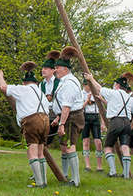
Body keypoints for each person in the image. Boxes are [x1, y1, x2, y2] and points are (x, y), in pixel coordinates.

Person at [0, 61, 49, 188]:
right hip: (45, 121)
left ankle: (39, 183)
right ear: (36, 82)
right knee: (40, 152)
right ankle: (44, 181)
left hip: (32, 121)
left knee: (32, 152)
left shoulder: (23, 89)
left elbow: (4, 88)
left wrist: (0, 75)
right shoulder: (41, 93)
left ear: (24, 82)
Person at [83, 71, 133, 180]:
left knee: (107, 147)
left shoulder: (114, 93)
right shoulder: (128, 96)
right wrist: (103, 100)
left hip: (116, 122)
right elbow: (115, 105)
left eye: (114, 84)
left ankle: (112, 171)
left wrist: (91, 79)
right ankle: (126, 175)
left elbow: (99, 88)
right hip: (127, 123)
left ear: (118, 85)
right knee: (125, 147)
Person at [53, 46, 85, 187]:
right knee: (64, 146)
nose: (55, 70)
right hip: (67, 116)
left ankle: (75, 181)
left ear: (65, 69)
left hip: (72, 117)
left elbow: (67, 106)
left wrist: (61, 124)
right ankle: (65, 176)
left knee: (70, 146)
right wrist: (58, 118)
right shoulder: (64, 81)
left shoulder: (69, 83)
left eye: (57, 68)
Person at [81, 81, 104, 172]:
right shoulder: (80, 94)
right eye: (87, 85)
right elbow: (79, 108)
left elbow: (101, 109)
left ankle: (99, 166)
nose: (89, 87)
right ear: (84, 85)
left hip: (95, 117)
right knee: (85, 142)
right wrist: (87, 100)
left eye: (90, 85)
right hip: (85, 117)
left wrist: (103, 123)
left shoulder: (96, 92)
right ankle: (87, 166)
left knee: (98, 142)